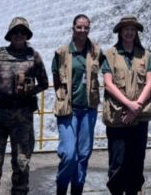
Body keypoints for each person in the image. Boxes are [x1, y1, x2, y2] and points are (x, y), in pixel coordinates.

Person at [0, 17, 49, 195]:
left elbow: (45, 83)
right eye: (15, 32)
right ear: (10, 35)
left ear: (27, 35)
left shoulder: (34, 56)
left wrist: (30, 92)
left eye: (22, 32)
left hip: (23, 118)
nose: (19, 35)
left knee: (22, 163)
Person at [101, 14, 151, 195]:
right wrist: (129, 105)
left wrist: (137, 106)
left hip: (139, 119)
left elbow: (150, 82)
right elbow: (108, 84)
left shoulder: (147, 55)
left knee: (136, 163)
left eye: (133, 29)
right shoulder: (110, 54)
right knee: (117, 164)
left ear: (137, 32)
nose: (129, 32)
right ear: (120, 31)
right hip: (118, 117)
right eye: (126, 29)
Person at [52, 14, 103, 195]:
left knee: (83, 156)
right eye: (79, 27)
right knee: (69, 154)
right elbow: (56, 79)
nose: (82, 30)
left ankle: (77, 191)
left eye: (86, 27)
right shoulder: (62, 52)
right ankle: (61, 188)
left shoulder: (96, 52)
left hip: (89, 110)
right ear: (73, 28)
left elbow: (105, 74)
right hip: (68, 110)